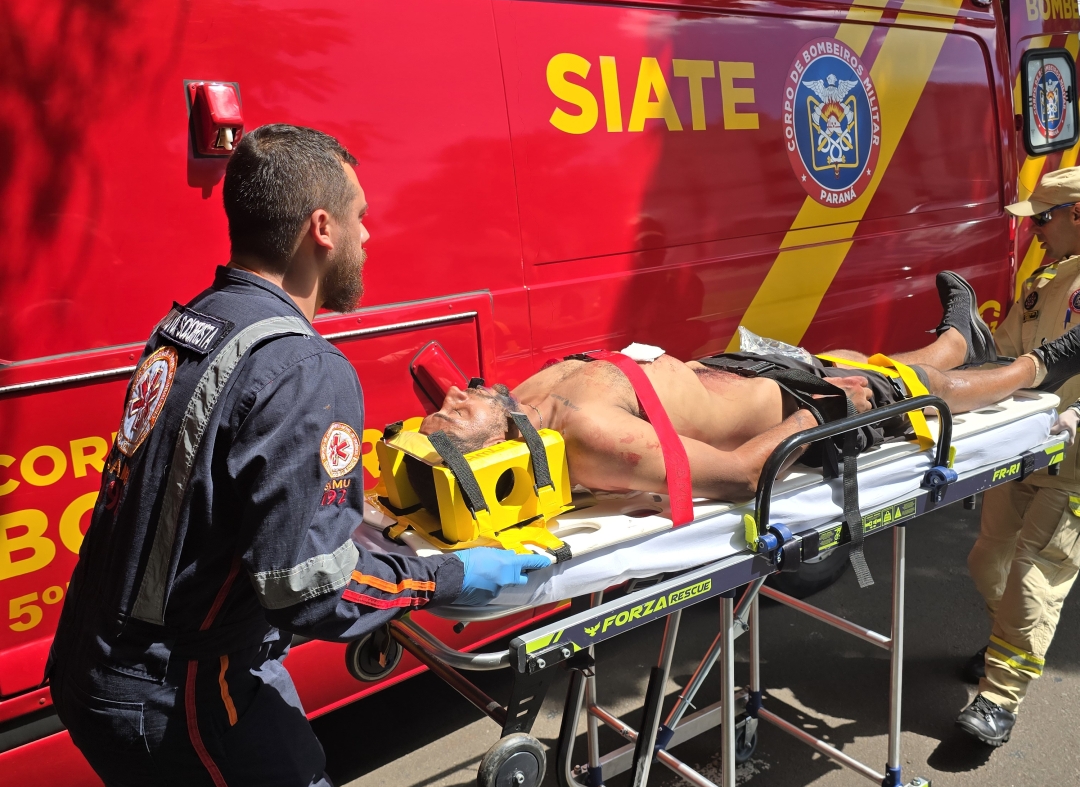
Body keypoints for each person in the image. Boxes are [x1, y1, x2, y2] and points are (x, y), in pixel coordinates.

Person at [46, 124, 546, 787]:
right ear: (322, 229)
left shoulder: (193, 324)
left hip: (97, 671)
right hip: (182, 696)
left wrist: (358, 522)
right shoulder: (304, 367)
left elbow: (217, 511)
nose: (369, 234)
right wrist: (447, 578)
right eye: (362, 216)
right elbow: (308, 588)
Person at [419, 272, 1080, 504]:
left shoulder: (527, 396)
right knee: (897, 385)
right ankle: (1040, 367)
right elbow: (737, 475)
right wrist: (823, 417)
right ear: (492, 452)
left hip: (740, 374)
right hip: (793, 408)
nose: (452, 401)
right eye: (454, 421)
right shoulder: (591, 437)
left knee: (850, 354)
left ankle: (961, 338)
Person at [955, 166, 1080, 747]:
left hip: (1072, 462)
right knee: (989, 561)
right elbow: (1008, 354)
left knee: (1036, 577)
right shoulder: (1050, 276)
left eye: (1044, 219)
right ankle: (1006, 642)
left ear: (1076, 214)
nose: (1036, 232)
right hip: (1024, 448)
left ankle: (999, 697)